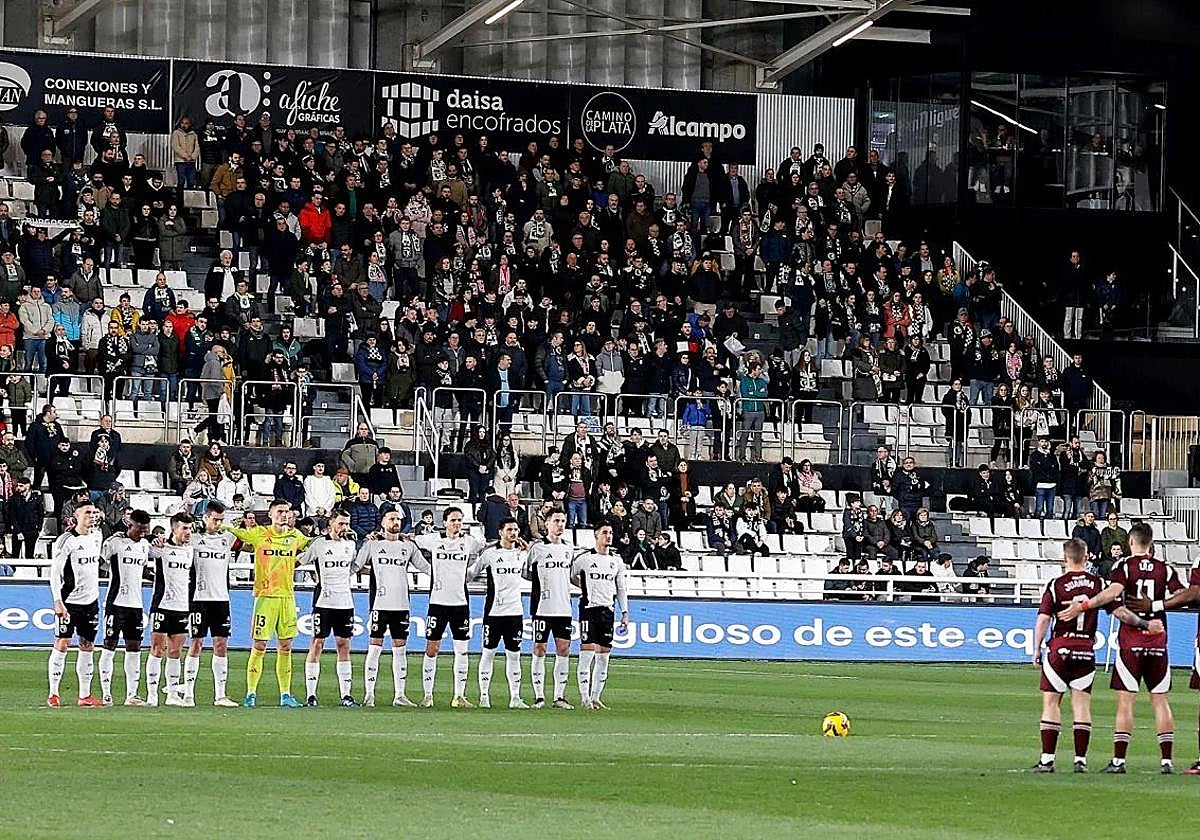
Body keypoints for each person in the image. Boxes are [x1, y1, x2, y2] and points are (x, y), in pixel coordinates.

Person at [1060, 522, 1180, 773]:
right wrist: (1157, 606)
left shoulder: (1123, 566)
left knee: (1126, 702)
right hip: (1158, 641)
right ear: (1151, 543)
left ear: (1130, 542)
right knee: (1160, 701)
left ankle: (1119, 761)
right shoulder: (1165, 568)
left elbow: (1112, 593)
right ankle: (1167, 761)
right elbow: (1181, 595)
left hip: (1131, 642)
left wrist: (1084, 605)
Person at [225, 498, 313, 708]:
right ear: (271, 514)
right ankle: (251, 693)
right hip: (265, 598)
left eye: (287, 511)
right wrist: (225, 525)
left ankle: (285, 695)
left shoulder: (296, 536)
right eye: (280, 511)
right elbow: (232, 533)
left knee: (286, 646)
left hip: (287, 598)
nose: (284, 515)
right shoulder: (259, 534)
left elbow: (314, 544)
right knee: (260, 645)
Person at [1030, 538, 1106, 773]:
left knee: (1051, 702)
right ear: (1086, 557)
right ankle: (1080, 760)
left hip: (1060, 649)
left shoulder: (1056, 585)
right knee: (1081, 704)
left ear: (1064, 558)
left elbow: (1044, 619)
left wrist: (1036, 648)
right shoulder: (1098, 583)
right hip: (1085, 650)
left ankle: (1047, 760)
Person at [354, 508, 428, 707]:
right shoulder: (373, 544)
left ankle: (400, 695)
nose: (396, 522)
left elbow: (425, 567)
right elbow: (356, 565)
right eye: (392, 518)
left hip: (402, 604)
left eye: (398, 519)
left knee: (400, 649)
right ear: (383, 522)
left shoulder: (408, 546)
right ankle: (369, 694)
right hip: (380, 603)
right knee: (374, 647)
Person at [412, 507, 485, 708]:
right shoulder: (433, 540)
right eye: (453, 520)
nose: (457, 524)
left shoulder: (469, 542)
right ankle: (428, 695)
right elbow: (413, 539)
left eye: (460, 520)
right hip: (438, 602)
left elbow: (483, 544)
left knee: (462, 650)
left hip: (460, 603)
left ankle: (459, 696)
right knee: (432, 648)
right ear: (444, 522)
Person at [47, 502, 103, 707]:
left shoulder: (97, 536)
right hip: (70, 602)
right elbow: (55, 573)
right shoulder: (66, 540)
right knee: (62, 643)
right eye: (87, 512)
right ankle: (54, 693)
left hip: (91, 601)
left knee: (87, 646)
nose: (92, 515)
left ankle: (84, 695)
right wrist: (57, 601)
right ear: (76, 515)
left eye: (94, 512)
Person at [302, 511, 359, 707]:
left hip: (345, 601)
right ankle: (311, 695)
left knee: (344, 645)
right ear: (331, 524)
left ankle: (346, 695)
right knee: (317, 643)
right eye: (341, 524)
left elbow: (354, 567)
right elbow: (301, 560)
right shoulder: (319, 544)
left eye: (347, 524)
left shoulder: (351, 545)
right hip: (323, 601)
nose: (345, 528)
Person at [472, 518, 530, 709]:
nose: (513, 533)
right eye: (509, 529)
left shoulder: (521, 554)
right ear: (500, 532)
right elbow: (471, 573)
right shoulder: (490, 554)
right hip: (494, 612)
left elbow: (529, 574)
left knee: (514, 655)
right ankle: (484, 696)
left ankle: (515, 698)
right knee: (488, 653)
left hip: (515, 612)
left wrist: (528, 551)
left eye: (516, 529)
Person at [184, 501, 238, 706]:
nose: (219, 523)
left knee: (221, 645)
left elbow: (250, 541)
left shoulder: (228, 538)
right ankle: (188, 694)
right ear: (205, 518)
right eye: (215, 519)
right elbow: (176, 539)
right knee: (196, 643)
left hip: (221, 599)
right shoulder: (194, 539)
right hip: (199, 599)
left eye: (221, 520)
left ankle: (220, 695)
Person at [571, 522, 628, 710]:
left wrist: (625, 612)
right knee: (587, 653)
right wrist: (585, 587)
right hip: (589, 609)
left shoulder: (616, 561)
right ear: (596, 535)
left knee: (604, 657)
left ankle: (596, 697)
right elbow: (571, 575)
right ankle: (584, 698)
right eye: (605, 532)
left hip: (608, 611)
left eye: (610, 532)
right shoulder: (585, 558)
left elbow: (621, 588)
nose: (608, 536)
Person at [523, 508, 576, 709]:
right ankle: (539, 697)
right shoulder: (537, 548)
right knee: (540, 648)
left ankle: (559, 697)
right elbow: (526, 572)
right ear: (547, 523)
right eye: (556, 521)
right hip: (542, 607)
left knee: (563, 649)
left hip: (563, 607)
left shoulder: (569, 548)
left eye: (563, 521)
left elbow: (571, 574)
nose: (560, 524)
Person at [97, 509, 151, 707]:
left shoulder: (145, 546)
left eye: (145, 529)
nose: (142, 533)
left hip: (136, 605)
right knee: (109, 646)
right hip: (116, 603)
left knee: (134, 648)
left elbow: (142, 570)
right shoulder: (115, 543)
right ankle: (106, 694)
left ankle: (132, 695)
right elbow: (98, 564)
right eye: (139, 529)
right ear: (130, 524)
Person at [145, 512, 196, 707]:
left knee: (175, 651)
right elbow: (145, 548)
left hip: (182, 607)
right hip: (162, 606)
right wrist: (153, 539)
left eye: (190, 528)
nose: (188, 532)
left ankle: (172, 694)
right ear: (174, 529)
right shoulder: (162, 548)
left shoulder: (190, 550)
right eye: (184, 528)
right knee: (157, 649)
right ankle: (152, 695)